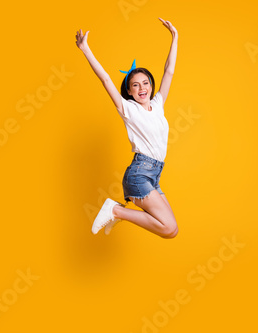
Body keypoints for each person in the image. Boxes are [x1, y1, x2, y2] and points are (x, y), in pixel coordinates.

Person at [75, 17, 179, 239]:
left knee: (171, 230)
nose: (141, 88)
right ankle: (116, 210)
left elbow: (168, 71)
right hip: (139, 173)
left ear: (151, 86)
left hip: (154, 175)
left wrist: (175, 37)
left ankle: (119, 213)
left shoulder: (157, 104)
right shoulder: (129, 109)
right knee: (168, 228)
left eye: (145, 83)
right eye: (135, 85)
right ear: (129, 91)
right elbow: (105, 80)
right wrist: (85, 49)